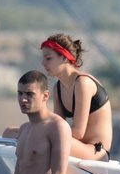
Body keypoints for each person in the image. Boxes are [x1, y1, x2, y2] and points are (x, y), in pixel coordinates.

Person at [41, 33, 113, 161]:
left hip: (96, 152)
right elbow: (58, 125)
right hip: (76, 146)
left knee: (41, 138)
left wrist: (39, 133)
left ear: (64, 57)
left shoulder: (82, 83)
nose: (43, 63)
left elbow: (78, 132)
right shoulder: (58, 88)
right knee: (11, 132)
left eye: (48, 58)